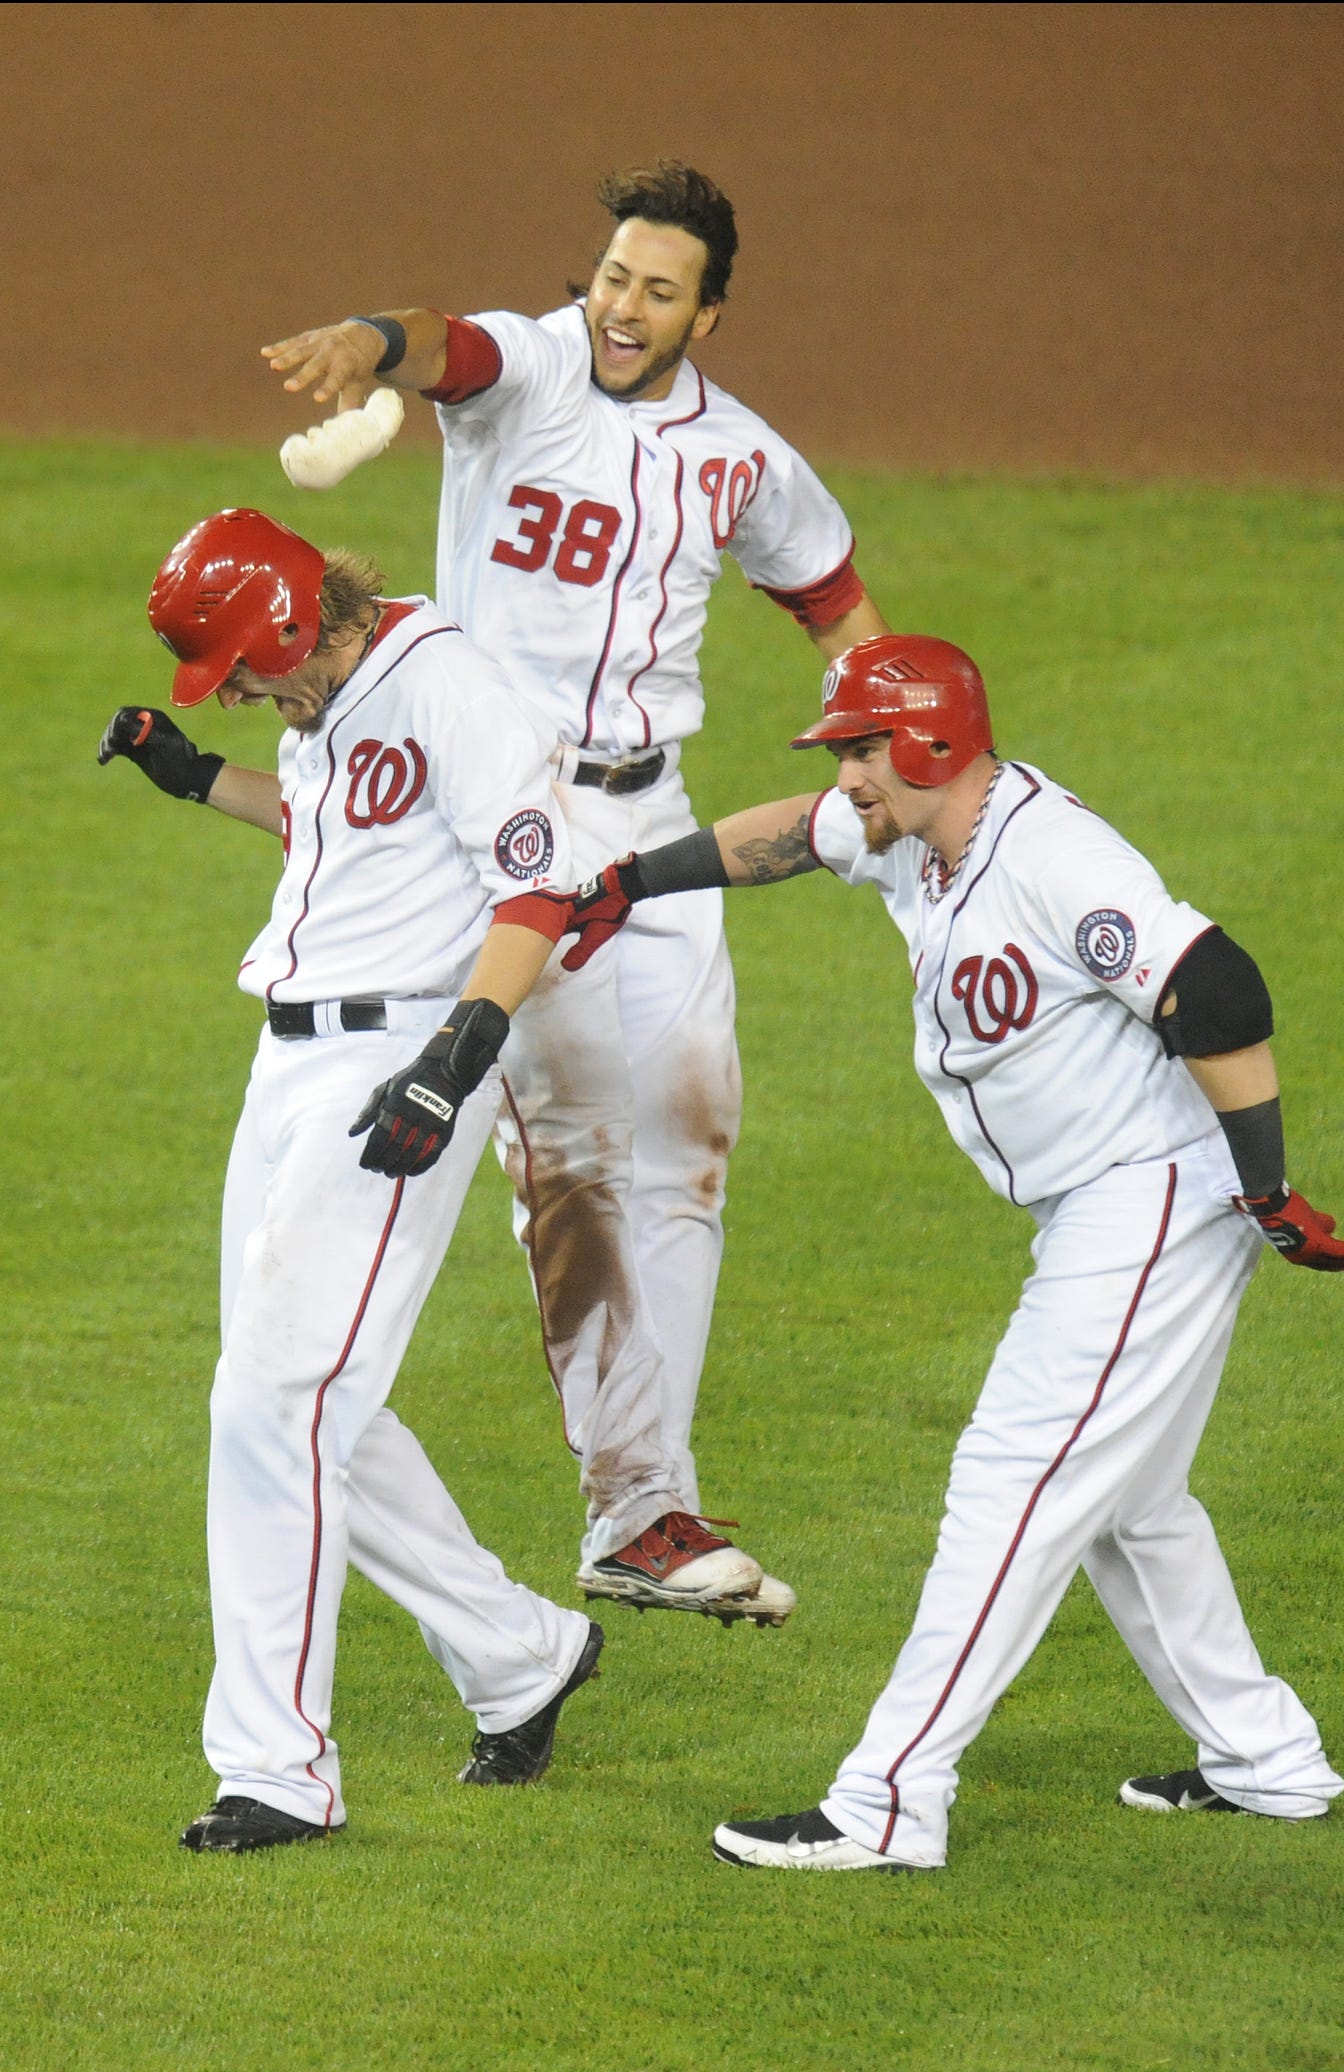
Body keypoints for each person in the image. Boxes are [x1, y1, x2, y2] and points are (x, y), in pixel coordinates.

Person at [546, 633, 1344, 1870]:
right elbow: (778, 834)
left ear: (928, 741)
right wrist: (631, 882)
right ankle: (1266, 1761)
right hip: (1102, 1206)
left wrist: (1266, 1184)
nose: (845, 776)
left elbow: (1216, 988)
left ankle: (886, 1804)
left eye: (859, 749)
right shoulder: (912, 833)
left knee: (1009, 1486)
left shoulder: (1049, 857)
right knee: (1130, 1505)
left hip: (1146, 1203)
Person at [259, 160, 892, 1626]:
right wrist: (367, 341)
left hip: (652, 822)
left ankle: (643, 1512)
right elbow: (445, 340)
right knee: (571, 1168)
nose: (623, 306)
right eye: (613, 276)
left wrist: (880, 744)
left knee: (685, 1150)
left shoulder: (738, 457)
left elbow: (835, 596)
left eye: (658, 291)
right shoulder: (532, 371)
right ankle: (613, 1496)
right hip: (497, 826)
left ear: (706, 316)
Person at [99, 507, 606, 1852]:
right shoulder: (323, 700)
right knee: (310, 1391)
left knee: (273, 1400)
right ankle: (520, 1654)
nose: (244, 692)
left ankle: (277, 1769)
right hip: (288, 1069)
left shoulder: (446, 684)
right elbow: (342, 840)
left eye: (238, 672)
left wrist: (455, 1057)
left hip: (397, 1060)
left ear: (284, 625)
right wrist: (198, 772)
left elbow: (539, 888)